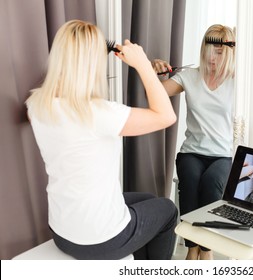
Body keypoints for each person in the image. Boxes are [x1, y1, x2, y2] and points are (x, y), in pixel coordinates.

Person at [25, 20, 178, 260]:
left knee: (148, 200)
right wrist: (143, 65)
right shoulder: (98, 113)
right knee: (167, 210)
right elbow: (166, 116)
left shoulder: (37, 105)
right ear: (91, 64)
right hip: (101, 240)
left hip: (62, 232)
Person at [152, 24, 236, 260]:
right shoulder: (189, 76)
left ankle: (204, 250)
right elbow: (158, 93)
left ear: (229, 53)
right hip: (192, 152)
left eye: (219, 52)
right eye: (209, 50)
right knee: (189, 181)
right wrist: (151, 71)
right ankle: (193, 248)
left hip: (222, 155)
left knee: (211, 184)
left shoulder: (237, 81)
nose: (212, 57)